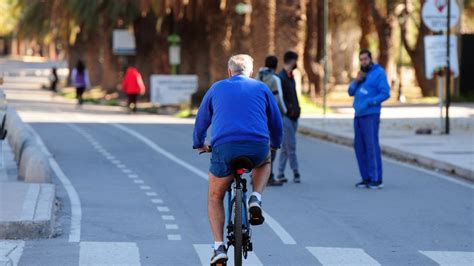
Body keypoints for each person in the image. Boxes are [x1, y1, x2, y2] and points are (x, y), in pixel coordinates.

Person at [193, 54, 283, 265]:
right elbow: (276, 121)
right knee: (265, 160)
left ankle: (219, 247)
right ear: (251, 72)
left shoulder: (216, 88)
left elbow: (202, 119)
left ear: (229, 72)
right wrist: (275, 143)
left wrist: (199, 143)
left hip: (224, 146)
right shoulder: (261, 88)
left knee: (215, 196)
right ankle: (255, 198)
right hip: (257, 145)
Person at [348, 49, 390, 190]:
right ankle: (365, 177)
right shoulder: (362, 75)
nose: (363, 62)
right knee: (359, 146)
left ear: (371, 59)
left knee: (371, 145)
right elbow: (350, 91)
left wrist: (371, 102)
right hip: (358, 114)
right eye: (361, 59)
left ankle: (376, 179)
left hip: (371, 114)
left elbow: (385, 93)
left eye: (365, 59)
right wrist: (356, 81)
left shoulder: (379, 73)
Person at [255, 55, 287, 186]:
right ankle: (269, 176)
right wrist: (284, 112)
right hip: (270, 116)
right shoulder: (275, 78)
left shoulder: (257, 77)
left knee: (259, 144)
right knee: (272, 146)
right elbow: (279, 98)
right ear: (276, 65)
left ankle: (255, 174)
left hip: (257, 117)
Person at [277, 51, 301, 183]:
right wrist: (288, 110)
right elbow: (281, 98)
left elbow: (294, 96)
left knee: (286, 147)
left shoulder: (290, 77)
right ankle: (296, 172)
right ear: (292, 61)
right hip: (286, 117)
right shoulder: (281, 77)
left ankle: (280, 172)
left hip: (294, 116)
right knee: (291, 145)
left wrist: (297, 109)